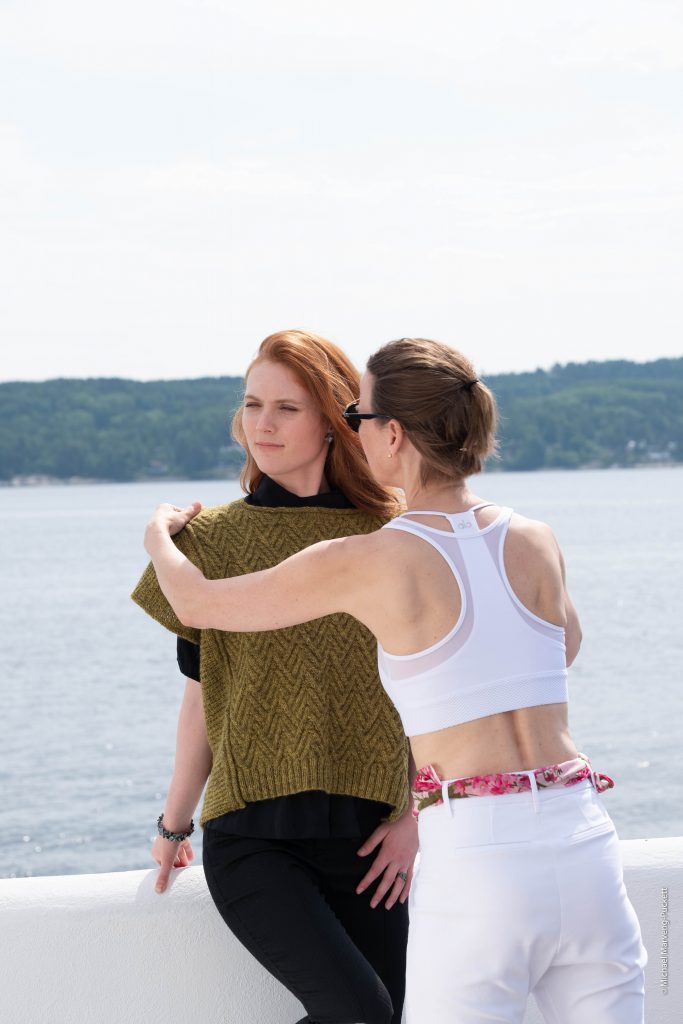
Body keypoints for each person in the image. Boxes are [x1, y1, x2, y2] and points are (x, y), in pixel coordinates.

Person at [144, 335, 648, 1024]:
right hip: (582, 835)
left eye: (358, 416)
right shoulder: (534, 538)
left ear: (393, 433)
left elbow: (197, 603)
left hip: (481, 850)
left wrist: (159, 535)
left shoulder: (372, 556)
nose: (354, 430)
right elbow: (562, 648)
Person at [132, 330, 418, 1024]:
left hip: (370, 837)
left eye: (286, 408)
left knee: (385, 1016)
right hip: (253, 836)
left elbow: (431, 689)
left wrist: (414, 814)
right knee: (360, 1013)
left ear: (334, 420)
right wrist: (173, 826)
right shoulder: (208, 543)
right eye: (252, 404)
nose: (262, 423)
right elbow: (201, 700)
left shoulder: (394, 536)